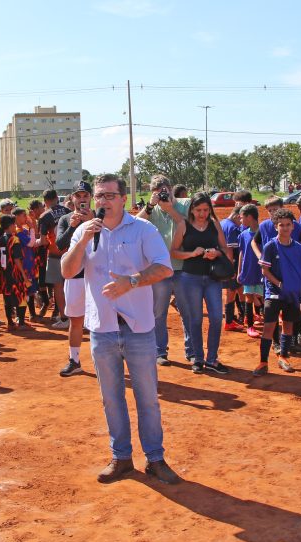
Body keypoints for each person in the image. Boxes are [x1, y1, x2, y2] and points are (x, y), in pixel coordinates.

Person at [61, 174, 179, 485]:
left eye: (110, 196)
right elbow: (67, 270)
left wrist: (133, 281)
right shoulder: (86, 232)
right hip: (103, 328)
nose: (102, 202)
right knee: (111, 398)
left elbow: (164, 266)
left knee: (148, 398)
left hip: (138, 327)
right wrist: (84, 238)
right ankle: (121, 457)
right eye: (99, 196)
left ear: (123, 198)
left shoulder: (143, 229)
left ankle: (155, 459)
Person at [170, 192, 231, 374]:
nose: (202, 214)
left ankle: (212, 359)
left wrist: (217, 253)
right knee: (195, 319)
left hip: (212, 278)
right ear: (192, 210)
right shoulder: (184, 225)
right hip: (190, 278)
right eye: (198, 210)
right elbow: (173, 252)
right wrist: (192, 253)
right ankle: (197, 358)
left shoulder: (214, 224)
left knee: (216, 318)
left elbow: (225, 247)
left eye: (205, 210)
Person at [136, 175, 190, 366]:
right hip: (159, 270)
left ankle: (191, 351)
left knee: (187, 311)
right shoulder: (151, 210)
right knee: (159, 313)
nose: (162, 193)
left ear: (171, 188)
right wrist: (150, 206)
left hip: (183, 267)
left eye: (165, 189)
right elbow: (135, 225)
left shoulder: (185, 204)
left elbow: (191, 226)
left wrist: (170, 209)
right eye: (157, 191)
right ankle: (160, 351)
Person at [254, 209, 301, 376]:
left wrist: (300, 293)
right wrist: (278, 283)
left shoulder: (300, 249)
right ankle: (263, 362)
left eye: (288, 225)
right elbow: (264, 271)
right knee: (269, 326)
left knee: (288, 325)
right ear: (276, 227)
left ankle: (283, 357)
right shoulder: (270, 246)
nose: (285, 228)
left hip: (292, 295)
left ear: (293, 226)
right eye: (281, 225)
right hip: (273, 293)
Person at [55, 183, 94, 376]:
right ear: (72, 198)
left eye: (85, 195)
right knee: (76, 320)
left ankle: (112, 358)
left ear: (91, 197)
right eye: (78, 196)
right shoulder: (65, 219)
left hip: (97, 276)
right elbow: (59, 246)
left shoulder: (100, 217)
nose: (82, 199)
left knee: (107, 318)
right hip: (75, 277)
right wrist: (73, 227)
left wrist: (93, 221)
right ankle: (74, 360)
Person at [39, 187, 73, 329]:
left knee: (58, 287)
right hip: (71, 254)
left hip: (55, 255)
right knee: (72, 286)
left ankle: (65, 319)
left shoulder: (44, 216)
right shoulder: (68, 212)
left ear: (46, 201)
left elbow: (43, 241)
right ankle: (77, 316)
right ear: (57, 198)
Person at [0, 214, 30, 329]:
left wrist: (2, 270)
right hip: (15, 274)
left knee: (7, 298)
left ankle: (10, 322)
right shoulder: (14, 239)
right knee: (21, 296)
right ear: (11, 226)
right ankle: (21, 323)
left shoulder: (1, 239)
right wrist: (23, 274)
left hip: (4, 274)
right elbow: (17, 259)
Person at [236, 204, 263, 339]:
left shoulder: (263, 233)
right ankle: (250, 325)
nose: (241, 221)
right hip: (248, 270)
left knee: (261, 296)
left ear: (249, 217)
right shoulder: (243, 235)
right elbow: (241, 253)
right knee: (249, 297)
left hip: (262, 271)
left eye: (242, 218)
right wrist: (239, 271)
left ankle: (259, 316)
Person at [220, 205, 244, 331]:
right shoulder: (232, 227)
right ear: (236, 216)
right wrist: (231, 269)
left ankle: (240, 317)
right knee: (231, 292)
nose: (241, 221)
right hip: (231, 263)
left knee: (237, 289)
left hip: (222, 263)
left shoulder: (222, 222)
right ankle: (229, 321)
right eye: (240, 218)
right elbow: (230, 249)